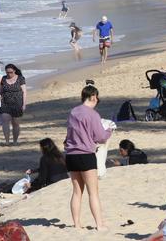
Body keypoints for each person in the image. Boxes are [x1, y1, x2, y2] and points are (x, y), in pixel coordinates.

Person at [64, 85, 113, 231]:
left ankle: (77, 224)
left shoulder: (73, 112)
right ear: (93, 97)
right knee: (93, 192)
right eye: (97, 98)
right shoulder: (92, 114)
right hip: (85, 155)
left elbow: (69, 134)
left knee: (77, 192)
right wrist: (109, 130)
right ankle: (99, 224)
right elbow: (100, 137)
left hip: (71, 155)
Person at [0, 64, 27, 145]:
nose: (9, 74)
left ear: (14, 71)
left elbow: (24, 92)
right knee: (5, 121)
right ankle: (7, 141)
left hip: (17, 104)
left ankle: (15, 141)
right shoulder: (3, 79)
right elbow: (0, 91)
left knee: (15, 123)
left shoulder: (20, 78)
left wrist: (24, 104)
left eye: (11, 72)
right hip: (5, 103)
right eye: (7, 72)